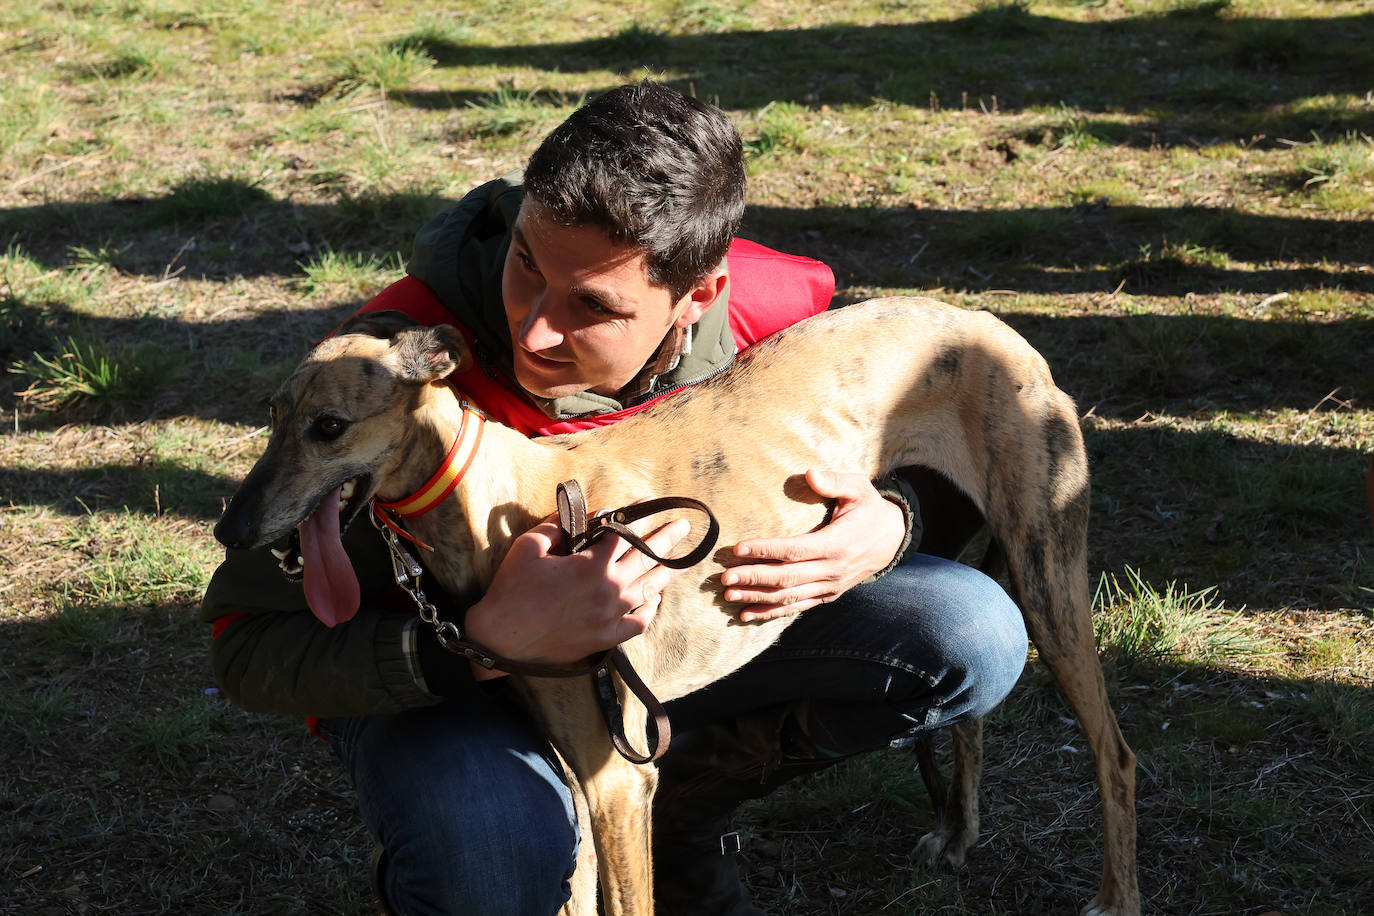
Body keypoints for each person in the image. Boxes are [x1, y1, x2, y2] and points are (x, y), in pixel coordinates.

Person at [201, 80, 1028, 916]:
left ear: (697, 295)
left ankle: (671, 807)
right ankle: (549, 812)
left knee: (969, 628)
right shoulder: (390, 373)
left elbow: (936, 446)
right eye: (527, 263)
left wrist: (891, 524)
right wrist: (479, 646)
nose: (533, 330)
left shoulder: (769, 326)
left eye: (592, 307)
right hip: (438, 686)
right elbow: (246, 645)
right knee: (489, 856)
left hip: (656, 658)